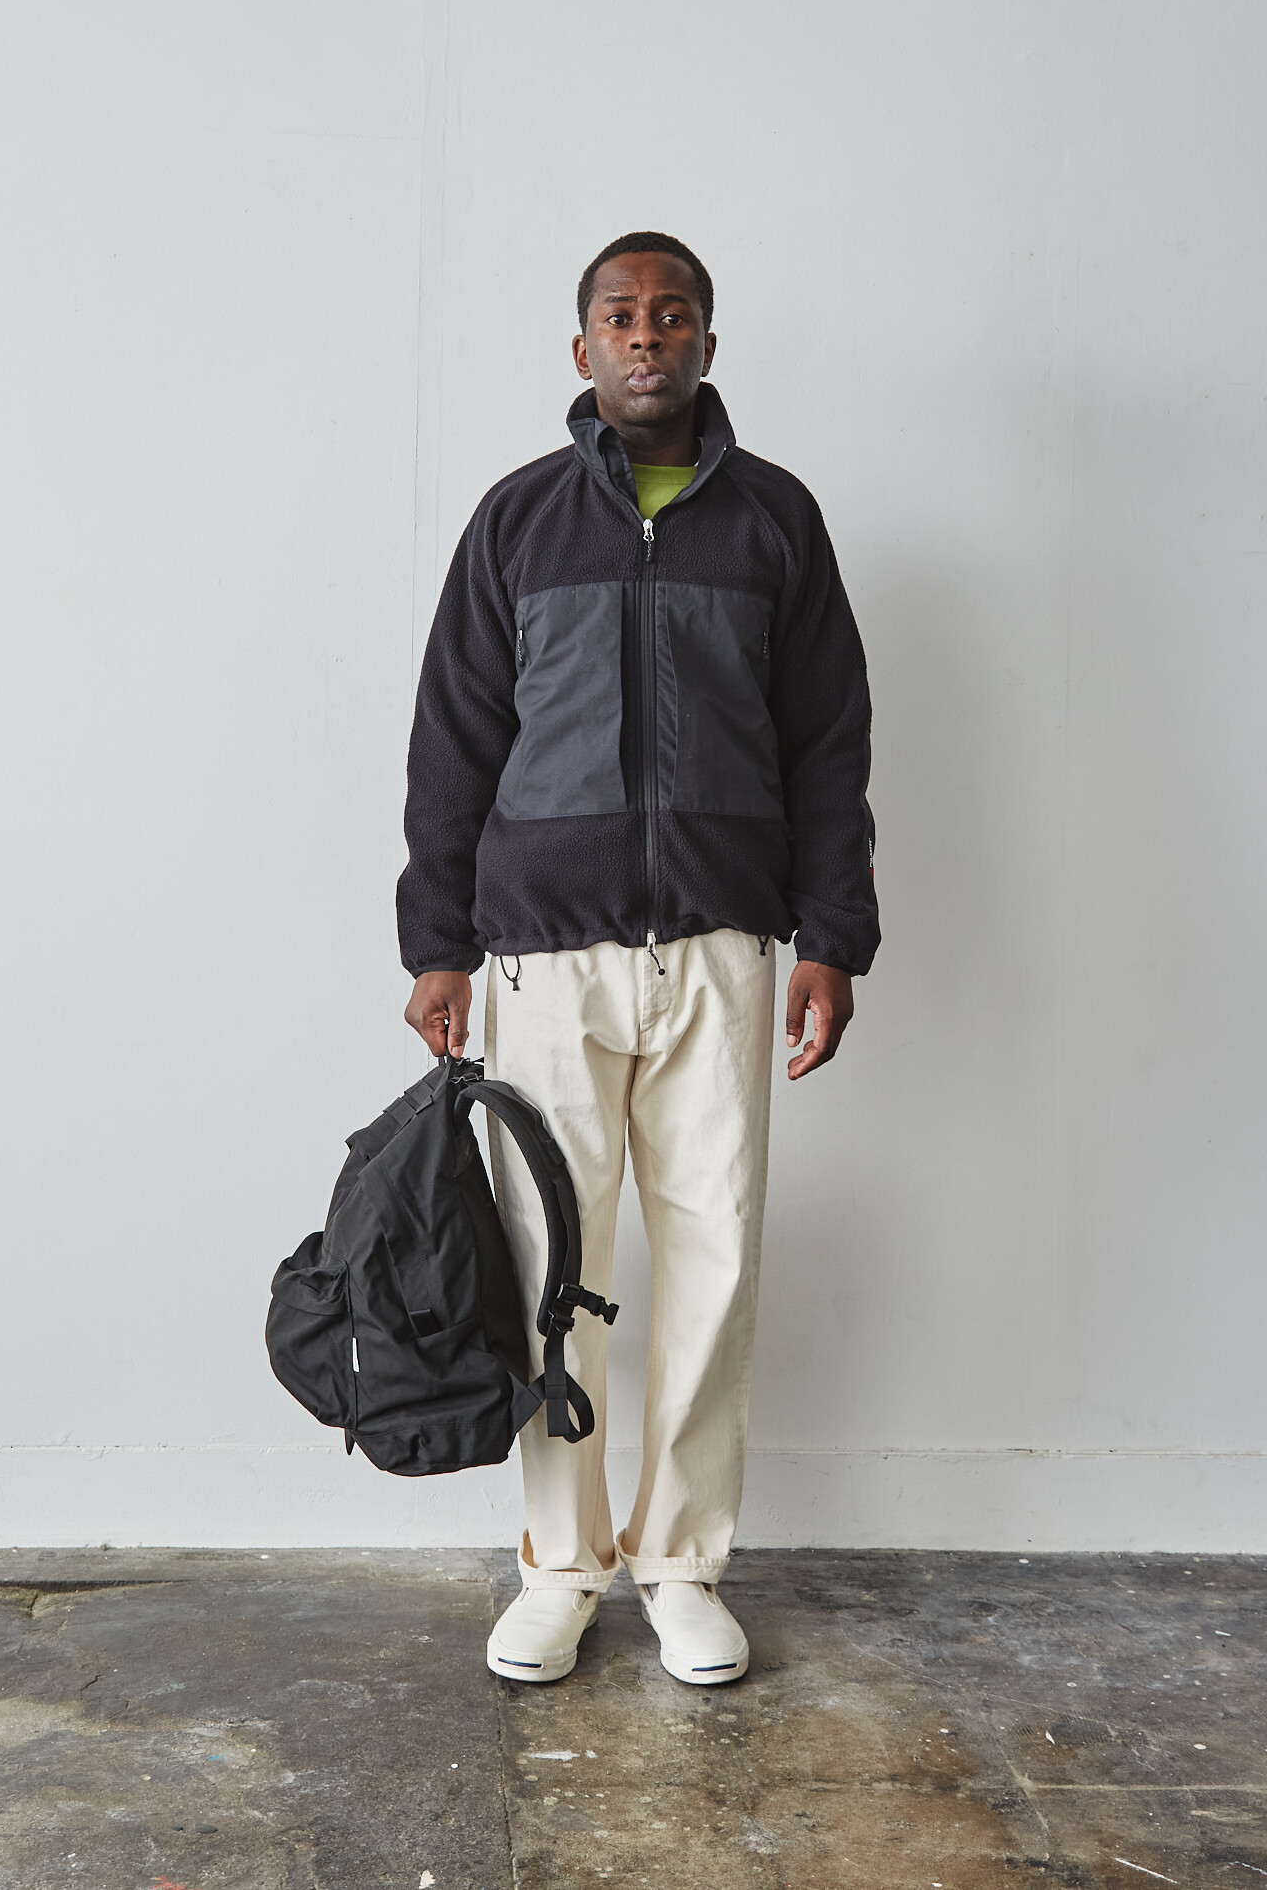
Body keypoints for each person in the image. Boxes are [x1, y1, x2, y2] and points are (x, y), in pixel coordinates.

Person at [398, 230, 879, 1686]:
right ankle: (560, 1566)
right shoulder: (518, 523)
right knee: (550, 1262)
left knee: (714, 1258)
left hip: (725, 947)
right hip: (547, 956)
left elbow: (829, 743)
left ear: (708, 345)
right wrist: (438, 944)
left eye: (673, 315)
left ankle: (682, 1563)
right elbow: (453, 741)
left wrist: (833, 936)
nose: (647, 334)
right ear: (583, 348)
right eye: (621, 315)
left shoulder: (776, 521)